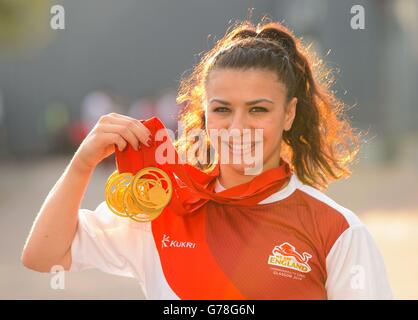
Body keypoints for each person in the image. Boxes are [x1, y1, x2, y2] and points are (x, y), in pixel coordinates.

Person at [21, 19, 393, 299]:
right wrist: (82, 163)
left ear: (289, 114)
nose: (237, 126)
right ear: (203, 113)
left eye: (258, 109)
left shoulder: (337, 231)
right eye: (222, 109)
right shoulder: (164, 206)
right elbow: (43, 255)